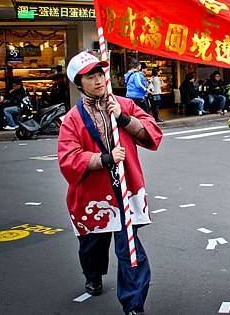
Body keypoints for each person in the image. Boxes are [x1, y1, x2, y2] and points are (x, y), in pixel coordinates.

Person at [57, 52, 162, 315]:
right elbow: (68, 158)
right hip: (93, 195)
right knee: (92, 245)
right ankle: (92, 273)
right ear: (79, 83)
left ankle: (133, 305)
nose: (97, 80)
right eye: (90, 77)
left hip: (126, 189)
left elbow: (152, 132)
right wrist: (103, 159)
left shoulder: (123, 104)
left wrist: (125, 120)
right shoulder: (72, 119)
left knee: (130, 249)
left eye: (100, 74)